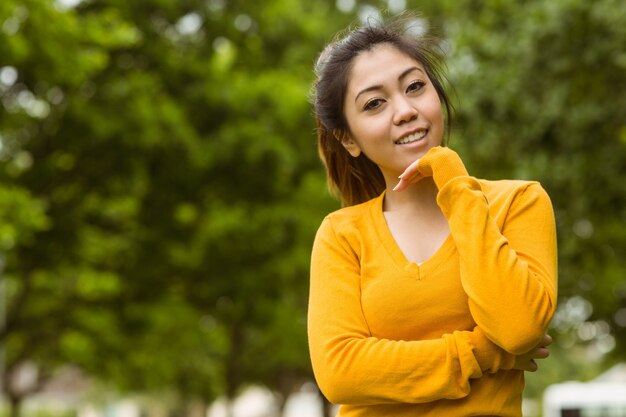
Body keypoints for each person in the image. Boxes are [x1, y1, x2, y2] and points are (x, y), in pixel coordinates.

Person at [307, 13, 558, 417]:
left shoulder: (519, 202)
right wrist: (483, 353)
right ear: (348, 139)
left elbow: (519, 327)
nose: (404, 110)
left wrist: (455, 184)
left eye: (415, 87)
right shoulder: (342, 234)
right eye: (374, 103)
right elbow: (340, 373)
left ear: (437, 96)